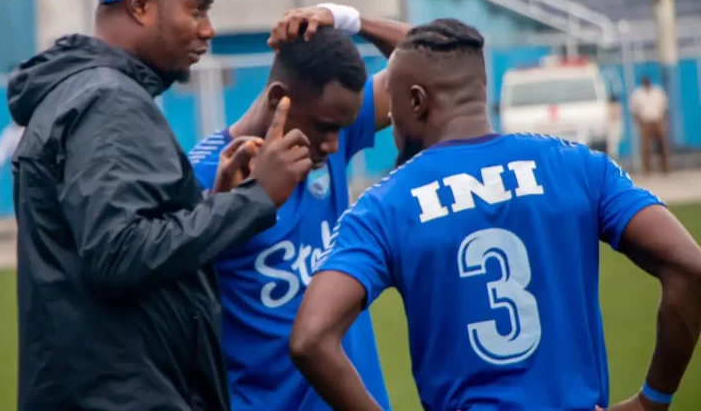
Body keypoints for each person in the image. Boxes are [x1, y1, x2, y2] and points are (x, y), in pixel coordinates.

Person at [290, 20, 701, 410]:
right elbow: (690, 267)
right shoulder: (579, 167)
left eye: (393, 110)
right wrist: (653, 400)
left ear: (415, 101)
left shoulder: (384, 206)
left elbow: (310, 338)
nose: (392, 122)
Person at [8, 0, 312, 411]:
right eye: (197, 8)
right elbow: (119, 253)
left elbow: (119, 240)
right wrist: (257, 198)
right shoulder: (108, 101)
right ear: (141, 5)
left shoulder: (90, 94)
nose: (209, 29)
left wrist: (213, 203)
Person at [189, 4, 409, 410]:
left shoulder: (331, 128)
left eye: (341, 131)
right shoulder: (201, 176)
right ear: (279, 100)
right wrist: (229, 203)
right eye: (324, 129)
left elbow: (428, 64)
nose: (333, 144)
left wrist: (347, 19)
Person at [629, 76, 670, 174]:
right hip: (645, 121)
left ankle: (665, 168)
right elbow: (633, 110)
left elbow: (664, 107)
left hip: (657, 120)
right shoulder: (638, 94)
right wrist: (639, 122)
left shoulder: (658, 91)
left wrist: (663, 121)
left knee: (662, 146)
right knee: (646, 148)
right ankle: (647, 170)